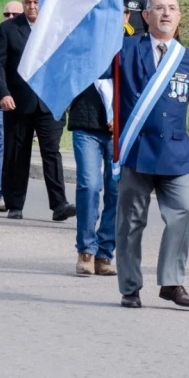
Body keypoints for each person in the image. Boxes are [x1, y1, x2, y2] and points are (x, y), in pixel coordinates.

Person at [116, 0, 189, 309]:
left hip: (176, 152)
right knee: (130, 222)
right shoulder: (126, 49)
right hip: (137, 150)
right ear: (146, 15)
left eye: (172, 9)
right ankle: (130, 286)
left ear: (179, 16)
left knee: (183, 212)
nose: (166, 14)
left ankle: (171, 282)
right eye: (158, 8)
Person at [0, 0, 75, 222]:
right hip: (18, 102)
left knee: (51, 153)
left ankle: (59, 204)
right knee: (17, 154)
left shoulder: (55, 28)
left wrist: (66, 95)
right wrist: (3, 94)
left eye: (36, 2)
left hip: (50, 103)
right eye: (27, 2)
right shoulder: (8, 29)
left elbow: (67, 63)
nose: (31, 6)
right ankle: (15, 204)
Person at [67, 77, 118, 277]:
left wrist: (122, 116)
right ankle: (86, 250)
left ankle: (104, 253)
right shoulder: (84, 46)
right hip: (85, 124)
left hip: (119, 129)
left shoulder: (129, 47)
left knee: (117, 189)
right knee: (89, 185)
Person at [0, 0, 23, 211]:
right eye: (6, 13)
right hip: (2, 101)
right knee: (4, 145)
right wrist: (2, 93)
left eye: (14, 14)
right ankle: (4, 193)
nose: (10, 17)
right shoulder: (0, 35)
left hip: (30, 102)